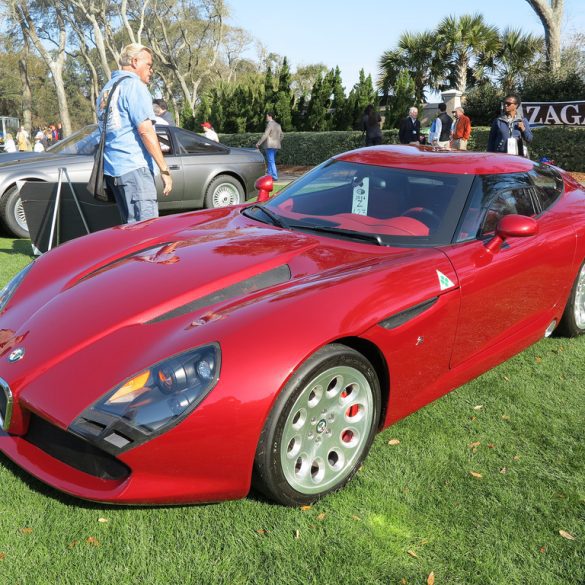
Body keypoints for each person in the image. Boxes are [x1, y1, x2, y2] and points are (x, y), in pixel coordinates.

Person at [97, 42, 172, 223]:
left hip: (113, 172)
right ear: (135, 61)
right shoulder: (134, 86)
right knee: (146, 234)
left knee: (130, 233)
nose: (151, 70)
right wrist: (164, 169)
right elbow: (146, 131)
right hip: (135, 169)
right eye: (149, 64)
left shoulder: (106, 90)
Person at [256, 112, 283, 181]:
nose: (266, 117)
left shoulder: (270, 124)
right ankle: (269, 175)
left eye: (267, 116)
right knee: (271, 161)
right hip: (276, 146)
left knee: (271, 161)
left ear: (270, 116)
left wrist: (259, 143)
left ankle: (274, 176)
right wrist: (277, 141)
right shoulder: (278, 125)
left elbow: (265, 135)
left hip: (270, 146)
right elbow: (282, 135)